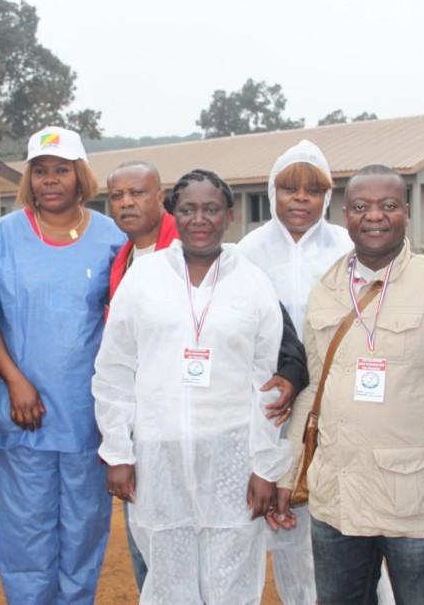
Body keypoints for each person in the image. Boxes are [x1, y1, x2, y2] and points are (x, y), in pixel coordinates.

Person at [275, 164, 424, 605]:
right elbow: (313, 390)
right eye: (360, 207)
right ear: (344, 216)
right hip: (337, 496)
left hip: (417, 502)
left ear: (407, 213)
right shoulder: (329, 289)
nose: (374, 216)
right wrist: (289, 470)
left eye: (388, 206)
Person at [106, 160, 307, 595]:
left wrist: (264, 466)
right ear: (173, 214)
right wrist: (119, 452)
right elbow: (114, 370)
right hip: (157, 458)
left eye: (212, 209)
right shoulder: (144, 278)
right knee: (166, 579)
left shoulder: (253, 284)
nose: (200, 220)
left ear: (229, 216)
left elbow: (267, 383)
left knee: (232, 579)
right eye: (189, 209)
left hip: (232, 458)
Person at [240, 140, 400, 605]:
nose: (301, 198)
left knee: (353, 521)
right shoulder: (249, 251)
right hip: (276, 407)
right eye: (290, 188)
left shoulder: (348, 248)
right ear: (273, 192)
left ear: (328, 197)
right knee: (288, 524)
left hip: (343, 404)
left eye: (314, 189)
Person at [0, 126, 125, 604]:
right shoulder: (3, 237)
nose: (50, 180)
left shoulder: (110, 237)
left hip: (87, 416)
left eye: (61, 170)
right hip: (25, 416)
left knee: (83, 531)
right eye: (40, 171)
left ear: (80, 175)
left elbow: (126, 324)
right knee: (26, 534)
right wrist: (15, 380)